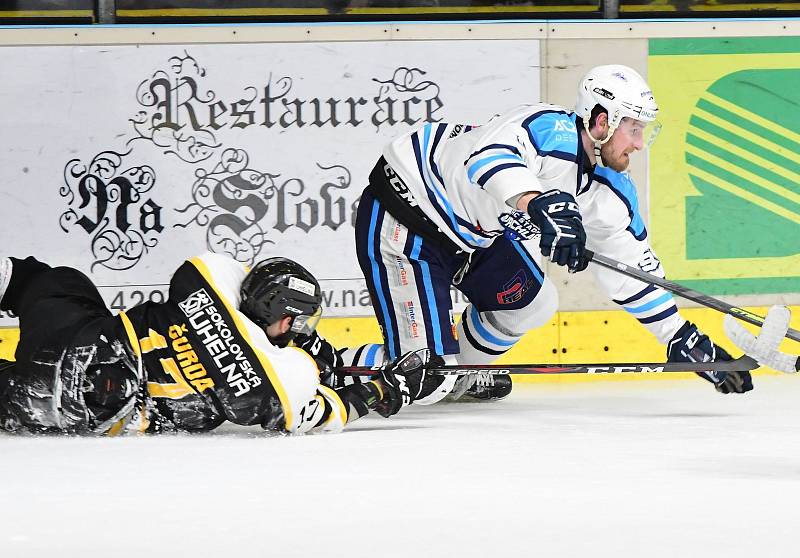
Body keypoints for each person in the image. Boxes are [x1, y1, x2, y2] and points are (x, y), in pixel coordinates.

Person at [345, 63, 752, 403]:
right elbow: (486, 159)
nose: (640, 144)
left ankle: (458, 374)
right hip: (407, 216)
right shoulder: (547, 129)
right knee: (426, 380)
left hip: (474, 237)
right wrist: (536, 202)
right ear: (601, 120)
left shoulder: (611, 193)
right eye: (633, 128)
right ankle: (329, 360)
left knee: (534, 303)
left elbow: (631, 274)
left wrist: (681, 339)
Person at [0, 252, 439, 435]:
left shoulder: (206, 281)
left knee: (45, 280)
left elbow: (234, 324)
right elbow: (308, 412)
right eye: (297, 322)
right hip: (69, 398)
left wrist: (310, 351)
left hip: (83, 335)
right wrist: (383, 389)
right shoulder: (274, 381)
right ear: (283, 314)